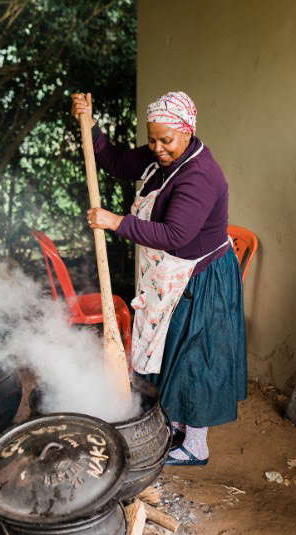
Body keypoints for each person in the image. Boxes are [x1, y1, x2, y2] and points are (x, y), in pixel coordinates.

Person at [71, 91, 247, 466]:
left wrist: (115, 222)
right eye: (152, 140)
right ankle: (177, 427)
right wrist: (91, 126)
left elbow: (174, 234)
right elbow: (118, 162)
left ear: (187, 132)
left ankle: (196, 446)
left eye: (165, 140)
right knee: (172, 354)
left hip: (203, 277)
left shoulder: (200, 175)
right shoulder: (162, 157)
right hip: (172, 274)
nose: (157, 148)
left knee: (196, 361)